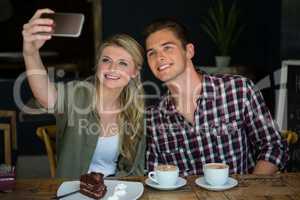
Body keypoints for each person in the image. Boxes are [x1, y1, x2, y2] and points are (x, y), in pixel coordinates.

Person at [144, 18, 288, 176]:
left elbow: (273, 146)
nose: (159, 57)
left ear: (189, 51)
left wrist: (251, 192)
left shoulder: (238, 90)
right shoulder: (154, 116)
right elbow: (154, 174)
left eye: (168, 48)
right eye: (152, 53)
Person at [22, 9, 145, 178]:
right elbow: (46, 97)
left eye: (123, 63)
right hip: (73, 191)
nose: (112, 68)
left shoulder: (135, 111)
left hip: (115, 191)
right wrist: (30, 52)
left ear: (134, 72)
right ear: (98, 64)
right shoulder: (77, 93)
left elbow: (134, 171)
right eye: (106, 60)